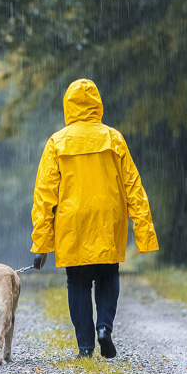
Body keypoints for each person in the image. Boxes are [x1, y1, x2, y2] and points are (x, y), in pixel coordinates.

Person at [29, 78, 158, 359]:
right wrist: (144, 234)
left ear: (68, 106)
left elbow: (44, 197)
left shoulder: (56, 142)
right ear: (98, 104)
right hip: (107, 219)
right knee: (107, 275)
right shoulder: (113, 138)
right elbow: (134, 187)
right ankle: (104, 328)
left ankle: (85, 347)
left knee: (78, 283)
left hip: (72, 224)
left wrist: (41, 244)